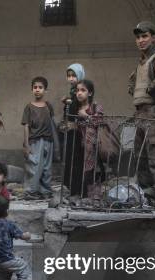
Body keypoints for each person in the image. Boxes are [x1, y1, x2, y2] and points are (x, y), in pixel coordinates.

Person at [128, 21, 155, 201]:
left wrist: (150, 90)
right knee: (141, 155)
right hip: (141, 112)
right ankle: (148, 192)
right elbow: (133, 81)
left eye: (144, 36)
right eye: (138, 37)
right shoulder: (142, 61)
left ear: (153, 37)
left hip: (153, 112)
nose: (140, 40)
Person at [22, 76, 56, 200]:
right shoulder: (29, 107)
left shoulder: (48, 106)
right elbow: (26, 126)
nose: (37, 90)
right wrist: (26, 145)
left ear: (45, 90)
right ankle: (30, 192)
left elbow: (52, 123)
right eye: (35, 87)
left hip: (48, 140)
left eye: (40, 87)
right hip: (35, 141)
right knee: (34, 167)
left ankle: (45, 191)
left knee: (46, 168)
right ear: (32, 90)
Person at [60, 63, 86, 196]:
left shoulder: (81, 91)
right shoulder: (72, 92)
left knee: (77, 161)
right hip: (71, 133)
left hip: (79, 133)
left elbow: (82, 112)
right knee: (69, 159)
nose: (71, 78)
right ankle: (70, 189)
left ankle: (77, 190)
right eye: (69, 76)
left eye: (73, 75)